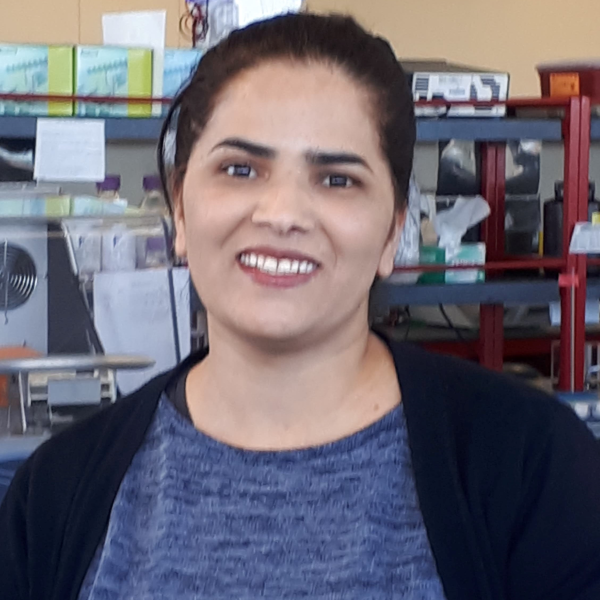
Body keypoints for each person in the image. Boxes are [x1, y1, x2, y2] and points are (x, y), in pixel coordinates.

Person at [2, 12, 600, 600]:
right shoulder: (55, 494)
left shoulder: (533, 468)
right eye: (240, 169)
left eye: (337, 179)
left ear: (393, 232)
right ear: (180, 209)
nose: (282, 214)